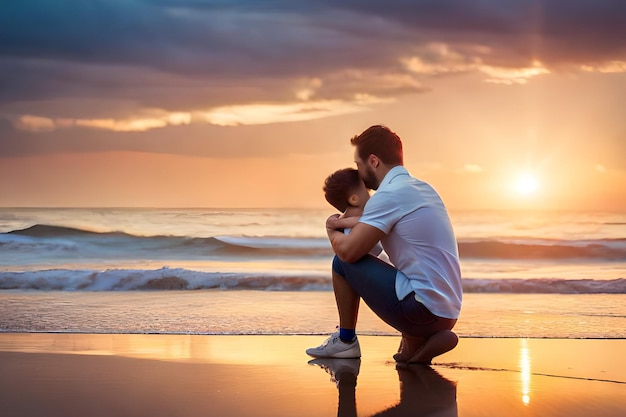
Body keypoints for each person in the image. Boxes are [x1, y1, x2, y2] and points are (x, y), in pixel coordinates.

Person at [306, 125, 462, 364]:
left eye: (359, 164)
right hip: (448, 312)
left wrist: (331, 229)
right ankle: (417, 344)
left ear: (374, 161)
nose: (359, 172)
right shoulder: (423, 189)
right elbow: (372, 250)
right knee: (404, 274)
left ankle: (346, 341)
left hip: (422, 311)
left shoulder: (388, 196)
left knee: (341, 263)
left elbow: (349, 253)